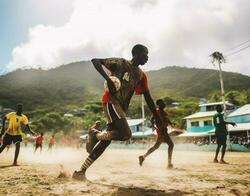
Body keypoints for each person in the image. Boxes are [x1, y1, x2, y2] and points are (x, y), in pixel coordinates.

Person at [72, 44, 163, 180]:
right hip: (110, 102)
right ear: (137, 54)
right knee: (126, 134)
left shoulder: (141, 76)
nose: (147, 57)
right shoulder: (120, 63)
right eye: (146, 54)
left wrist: (156, 116)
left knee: (106, 141)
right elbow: (96, 61)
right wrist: (108, 79)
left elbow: (148, 97)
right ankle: (95, 134)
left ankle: (80, 172)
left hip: (119, 108)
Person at [138, 99, 175, 168]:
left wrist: (171, 124)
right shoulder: (157, 111)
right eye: (162, 103)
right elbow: (151, 118)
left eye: (163, 103)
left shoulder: (164, 112)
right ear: (159, 105)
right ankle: (169, 163)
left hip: (164, 130)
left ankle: (143, 157)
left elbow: (167, 120)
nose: (164, 104)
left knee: (157, 146)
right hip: (161, 130)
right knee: (170, 145)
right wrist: (153, 125)